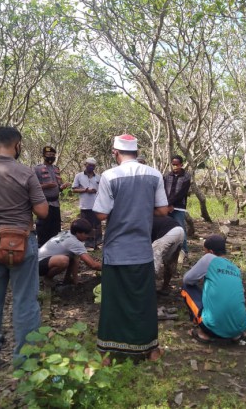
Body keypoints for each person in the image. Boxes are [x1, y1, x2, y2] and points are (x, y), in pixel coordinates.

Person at [0, 126, 48, 371]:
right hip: (22, 239)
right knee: (25, 301)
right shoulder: (26, 173)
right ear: (18, 145)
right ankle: (25, 359)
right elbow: (43, 211)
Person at [93, 134, 168, 362]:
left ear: (116, 153)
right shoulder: (154, 175)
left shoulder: (109, 176)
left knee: (112, 302)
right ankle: (151, 350)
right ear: (136, 151)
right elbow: (163, 210)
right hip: (142, 251)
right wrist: (142, 210)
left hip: (116, 250)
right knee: (143, 301)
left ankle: (107, 352)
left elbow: (101, 213)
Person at [181, 235, 246, 343]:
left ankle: (203, 330)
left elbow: (187, 279)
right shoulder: (235, 268)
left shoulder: (209, 258)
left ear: (210, 252)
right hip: (239, 328)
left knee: (186, 287)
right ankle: (233, 333)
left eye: (205, 251)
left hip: (211, 327)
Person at [38, 218, 102, 285]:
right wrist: (108, 268)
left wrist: (76, 280)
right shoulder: (74, 242)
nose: (87, 236)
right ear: (78, 233)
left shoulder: (68, 232)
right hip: (39, 265)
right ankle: (47, 279)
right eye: (85, 234)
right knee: (63, 260)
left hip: (40, 260)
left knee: (73, 256)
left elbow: (75, 259)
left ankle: (69, 280)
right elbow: (93, 265)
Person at [34, 146, 70, 246]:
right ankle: (42, 251)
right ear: (44, 155)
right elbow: (32, 187)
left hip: (56, 204)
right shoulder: (37, 169)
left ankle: (54, 249)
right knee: (43, 228)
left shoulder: (56, 169)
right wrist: (46, 185)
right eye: (49, 155)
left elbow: (58, 187)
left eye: (53, 155)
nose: (51, 157)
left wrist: (62, 187)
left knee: (55, 228)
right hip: (44, 203)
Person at [164, 155, 191, 258]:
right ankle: (170, 250)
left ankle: (184, 250)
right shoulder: (167, 175)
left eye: (177, 165)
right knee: (167, 229)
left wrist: (171, 204)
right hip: (167, 207)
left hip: (178, 207)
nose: (175, 167)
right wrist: (166, 204)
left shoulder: (186, 176)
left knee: (181, 228)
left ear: (181, 165)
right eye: (173, 164)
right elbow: (163, 190)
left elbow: (182, 192)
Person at [72, 157, 101, 249]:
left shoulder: (98, 177)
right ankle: (87, 244)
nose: (91, 167)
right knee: (86, 225)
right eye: (89, 165)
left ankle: (97, 243)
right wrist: (85, 190)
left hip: (96, 205)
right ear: (85, 165)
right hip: (85, 205)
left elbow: (101, 190)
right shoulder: (79, 176)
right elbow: (74, 189)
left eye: (93, 166)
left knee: (96, 224)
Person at [151, 215, 184, 295]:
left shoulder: (145, 221)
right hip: (180, 231)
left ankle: (148, 291)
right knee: (170, 261)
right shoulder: (155, 217)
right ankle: (165, 288)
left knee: (152, 262)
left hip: (169, 233)